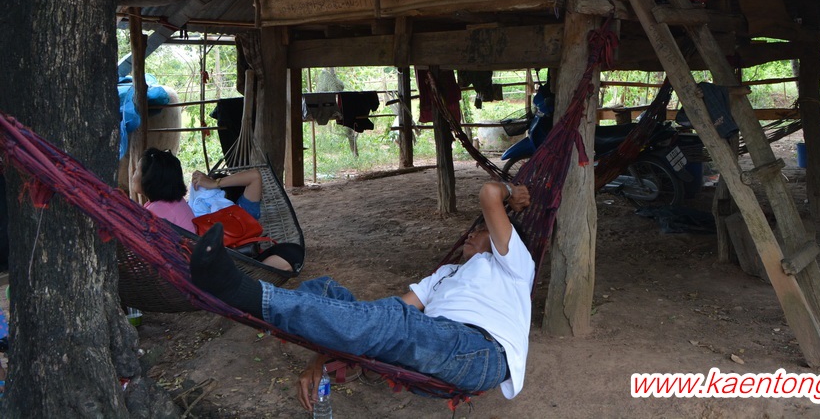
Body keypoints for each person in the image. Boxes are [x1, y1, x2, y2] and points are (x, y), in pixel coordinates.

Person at [190, 181, 534, 410]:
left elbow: (489, 193)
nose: (471, 234)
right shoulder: (445, 274)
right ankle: (255, 297)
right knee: (326, 289)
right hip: (431, 344)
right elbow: (387, 312)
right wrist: (321, 355)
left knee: (396, 321)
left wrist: (511, 192)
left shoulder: (513, 264)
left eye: (480, 230)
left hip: (480, 352)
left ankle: (242, 292)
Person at [134, 148, 299, 272]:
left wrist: (215, 183)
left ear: (149, 179)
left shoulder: (243, 212)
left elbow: (255, 176)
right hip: (217, 257)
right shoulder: (179, 205)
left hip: (215, 263)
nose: (133, 175)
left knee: (286, 257)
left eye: (136, 171)